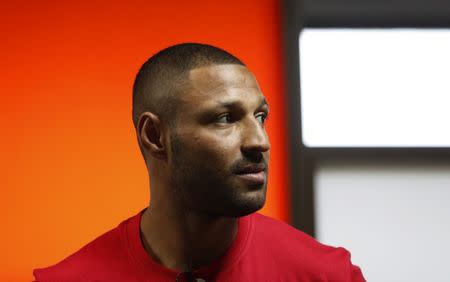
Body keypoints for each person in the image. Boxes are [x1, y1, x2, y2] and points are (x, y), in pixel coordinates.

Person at [33, 43, 365, 281]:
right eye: (225, 118)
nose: (259, 141)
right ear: (155, 136)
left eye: (260, 117)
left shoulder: (327, 274)